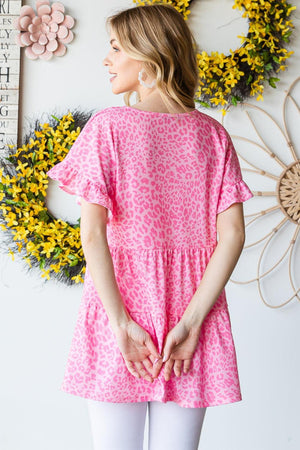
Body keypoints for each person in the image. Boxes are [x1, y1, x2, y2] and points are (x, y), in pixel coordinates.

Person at [47, 3, 253, 450]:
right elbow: (233, 235)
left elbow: (92, 233)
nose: (107, 59)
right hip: (192, 312)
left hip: (121, 308)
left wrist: (120, 323)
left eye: (117, 48)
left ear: (150, 57)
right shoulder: (213, 135)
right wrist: (193, 322)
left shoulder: (108, 128)